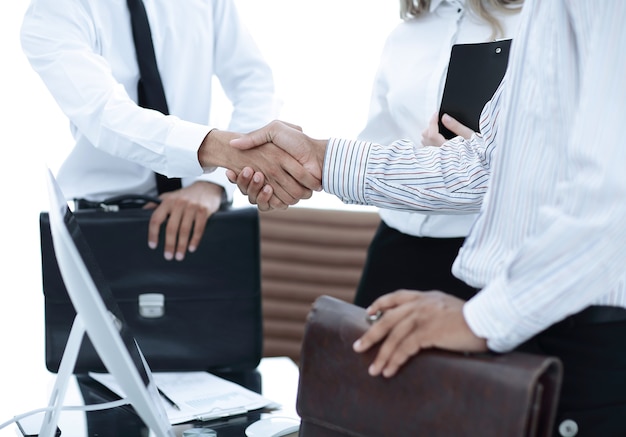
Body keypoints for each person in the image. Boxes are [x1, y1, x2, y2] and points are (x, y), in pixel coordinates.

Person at [225, 1, 626, 434]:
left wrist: (482, 318)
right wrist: (319, 161)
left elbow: (608, 192)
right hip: (461, 278)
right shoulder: (419, 34)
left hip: (568, 315)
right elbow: (486, 164)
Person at [20, 0, 318, 261]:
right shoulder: (54, 8)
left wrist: (216, 183)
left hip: (205, 216)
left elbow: (255, 83)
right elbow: (105, 114)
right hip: (104, 230)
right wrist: (226, 153)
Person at [353, 0, 522, 307]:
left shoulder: (532, 26)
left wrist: (472, 160)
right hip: (395, 244)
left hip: (485, 252)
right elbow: (376, 141)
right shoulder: (404, 35)